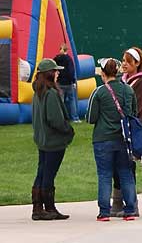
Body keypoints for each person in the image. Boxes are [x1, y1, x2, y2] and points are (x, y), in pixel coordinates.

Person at [86, 58, 138, 221]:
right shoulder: (128, 90)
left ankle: (104, 212)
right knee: (126, 173)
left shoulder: (99, 92)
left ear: (103, 73)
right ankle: (130, 209)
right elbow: (133, 113)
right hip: (124, 139)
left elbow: (90, 118)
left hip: (103, 138)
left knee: (104, 174)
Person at [31, 58, 74, 221]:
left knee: (41, 172)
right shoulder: (50, 94)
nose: (58, 73)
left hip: (42, 140)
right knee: (48, 174)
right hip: (53, 141)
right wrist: (68, 130)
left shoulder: (38, 93)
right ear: (49, 73)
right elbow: (55, 119)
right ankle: (47, 207)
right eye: (55, 71)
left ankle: (38, 207)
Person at [110, 47, 142, 217]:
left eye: (128, 61)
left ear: (137, 63)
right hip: (118, 128)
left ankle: (132, 204)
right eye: (123, 61)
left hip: (132, 128)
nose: (124, 64)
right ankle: (117, 202)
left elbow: (137, 107)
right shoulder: (123, 80)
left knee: (127, 166)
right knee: (115, 166)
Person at [54, 44, 79, 123]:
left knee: (61, 101)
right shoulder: (68, 59)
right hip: (68, 83)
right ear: (66, 50)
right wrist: (73, 81)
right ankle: (74, 118)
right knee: (72, 100)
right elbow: (71, 71)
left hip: (59, 83)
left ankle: (61, 118)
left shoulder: (56, 58)